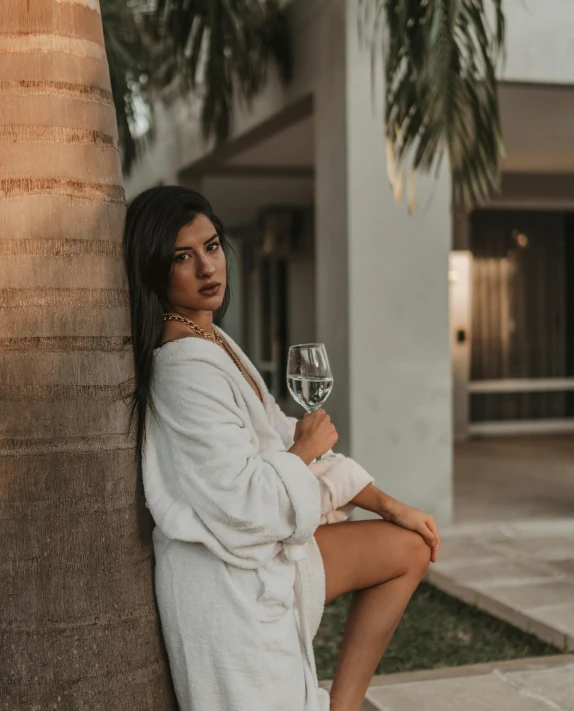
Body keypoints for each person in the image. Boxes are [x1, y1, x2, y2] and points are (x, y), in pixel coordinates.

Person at [122, 186, 441, 711]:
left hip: (268, 558)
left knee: (410, 545)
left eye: (213, 246)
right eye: (183, 256)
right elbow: (240, 503)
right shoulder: (182, 370)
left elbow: (278, 431)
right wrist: (303, 452)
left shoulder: (214, 343)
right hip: (228, 580)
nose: (208, 268)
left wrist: (390, 505)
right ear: (156, 269)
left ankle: (344, 706)